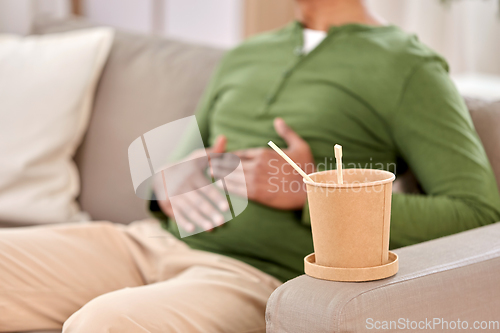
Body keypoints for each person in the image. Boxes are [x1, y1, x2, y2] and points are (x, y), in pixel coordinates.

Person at [1, 0, 499, 332]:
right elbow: (172, 175)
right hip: (148, 242)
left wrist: (310, 191)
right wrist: (172, 187)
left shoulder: (409, 66)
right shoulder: (246, 55)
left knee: (105, 323)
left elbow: (478, 216)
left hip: (257, 276)